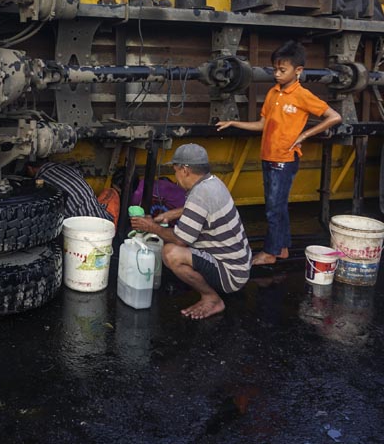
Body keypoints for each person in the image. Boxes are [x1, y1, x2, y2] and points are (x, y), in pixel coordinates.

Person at [216, 41, 341, 265]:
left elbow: (334, 117)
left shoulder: (303, 95)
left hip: (285, 159)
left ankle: (270, 253)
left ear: (298, 71)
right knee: (278, 207)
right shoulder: (273, 93)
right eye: (275, 69)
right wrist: (234, 123)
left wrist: (304, 135)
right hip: (268, 156)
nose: (276, 74)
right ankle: (282, 248)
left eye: (282, 70)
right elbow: (262, 125)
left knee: (274, 209)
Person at [130, 144, 251, 320]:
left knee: (171, 253)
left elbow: (180, 240)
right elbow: (198, 208)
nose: (176, 177)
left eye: (176, 170)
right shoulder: (213, 183)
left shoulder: (199, 195)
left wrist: (150, 227)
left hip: (231, 274)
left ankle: (212, 298)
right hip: (240, 264)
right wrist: (171, 214)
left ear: (185, 170)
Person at [26, 161, 118, 225]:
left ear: (30, 169)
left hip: (80, 230)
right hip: (103, 219)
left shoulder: (40, 181)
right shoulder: (62, 167)